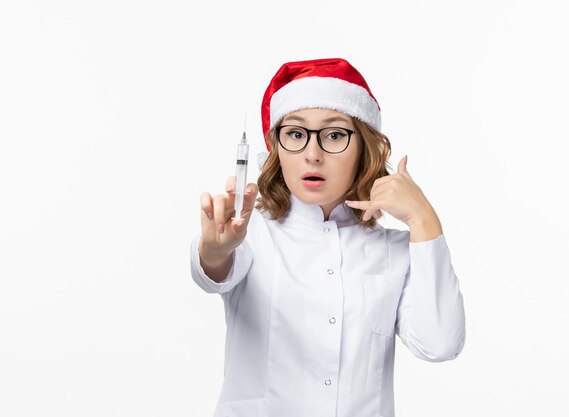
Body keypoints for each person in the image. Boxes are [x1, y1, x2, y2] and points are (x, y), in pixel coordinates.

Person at [189, 57, 466, 417]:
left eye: (334, 134)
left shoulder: (394, 252)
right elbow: (214, 271)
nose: (312, 154)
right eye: (296, 134)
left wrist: (424, 220)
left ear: (363, 148)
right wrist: (214, 249)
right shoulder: (251, 232)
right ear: (276, 146)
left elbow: (440, 343)